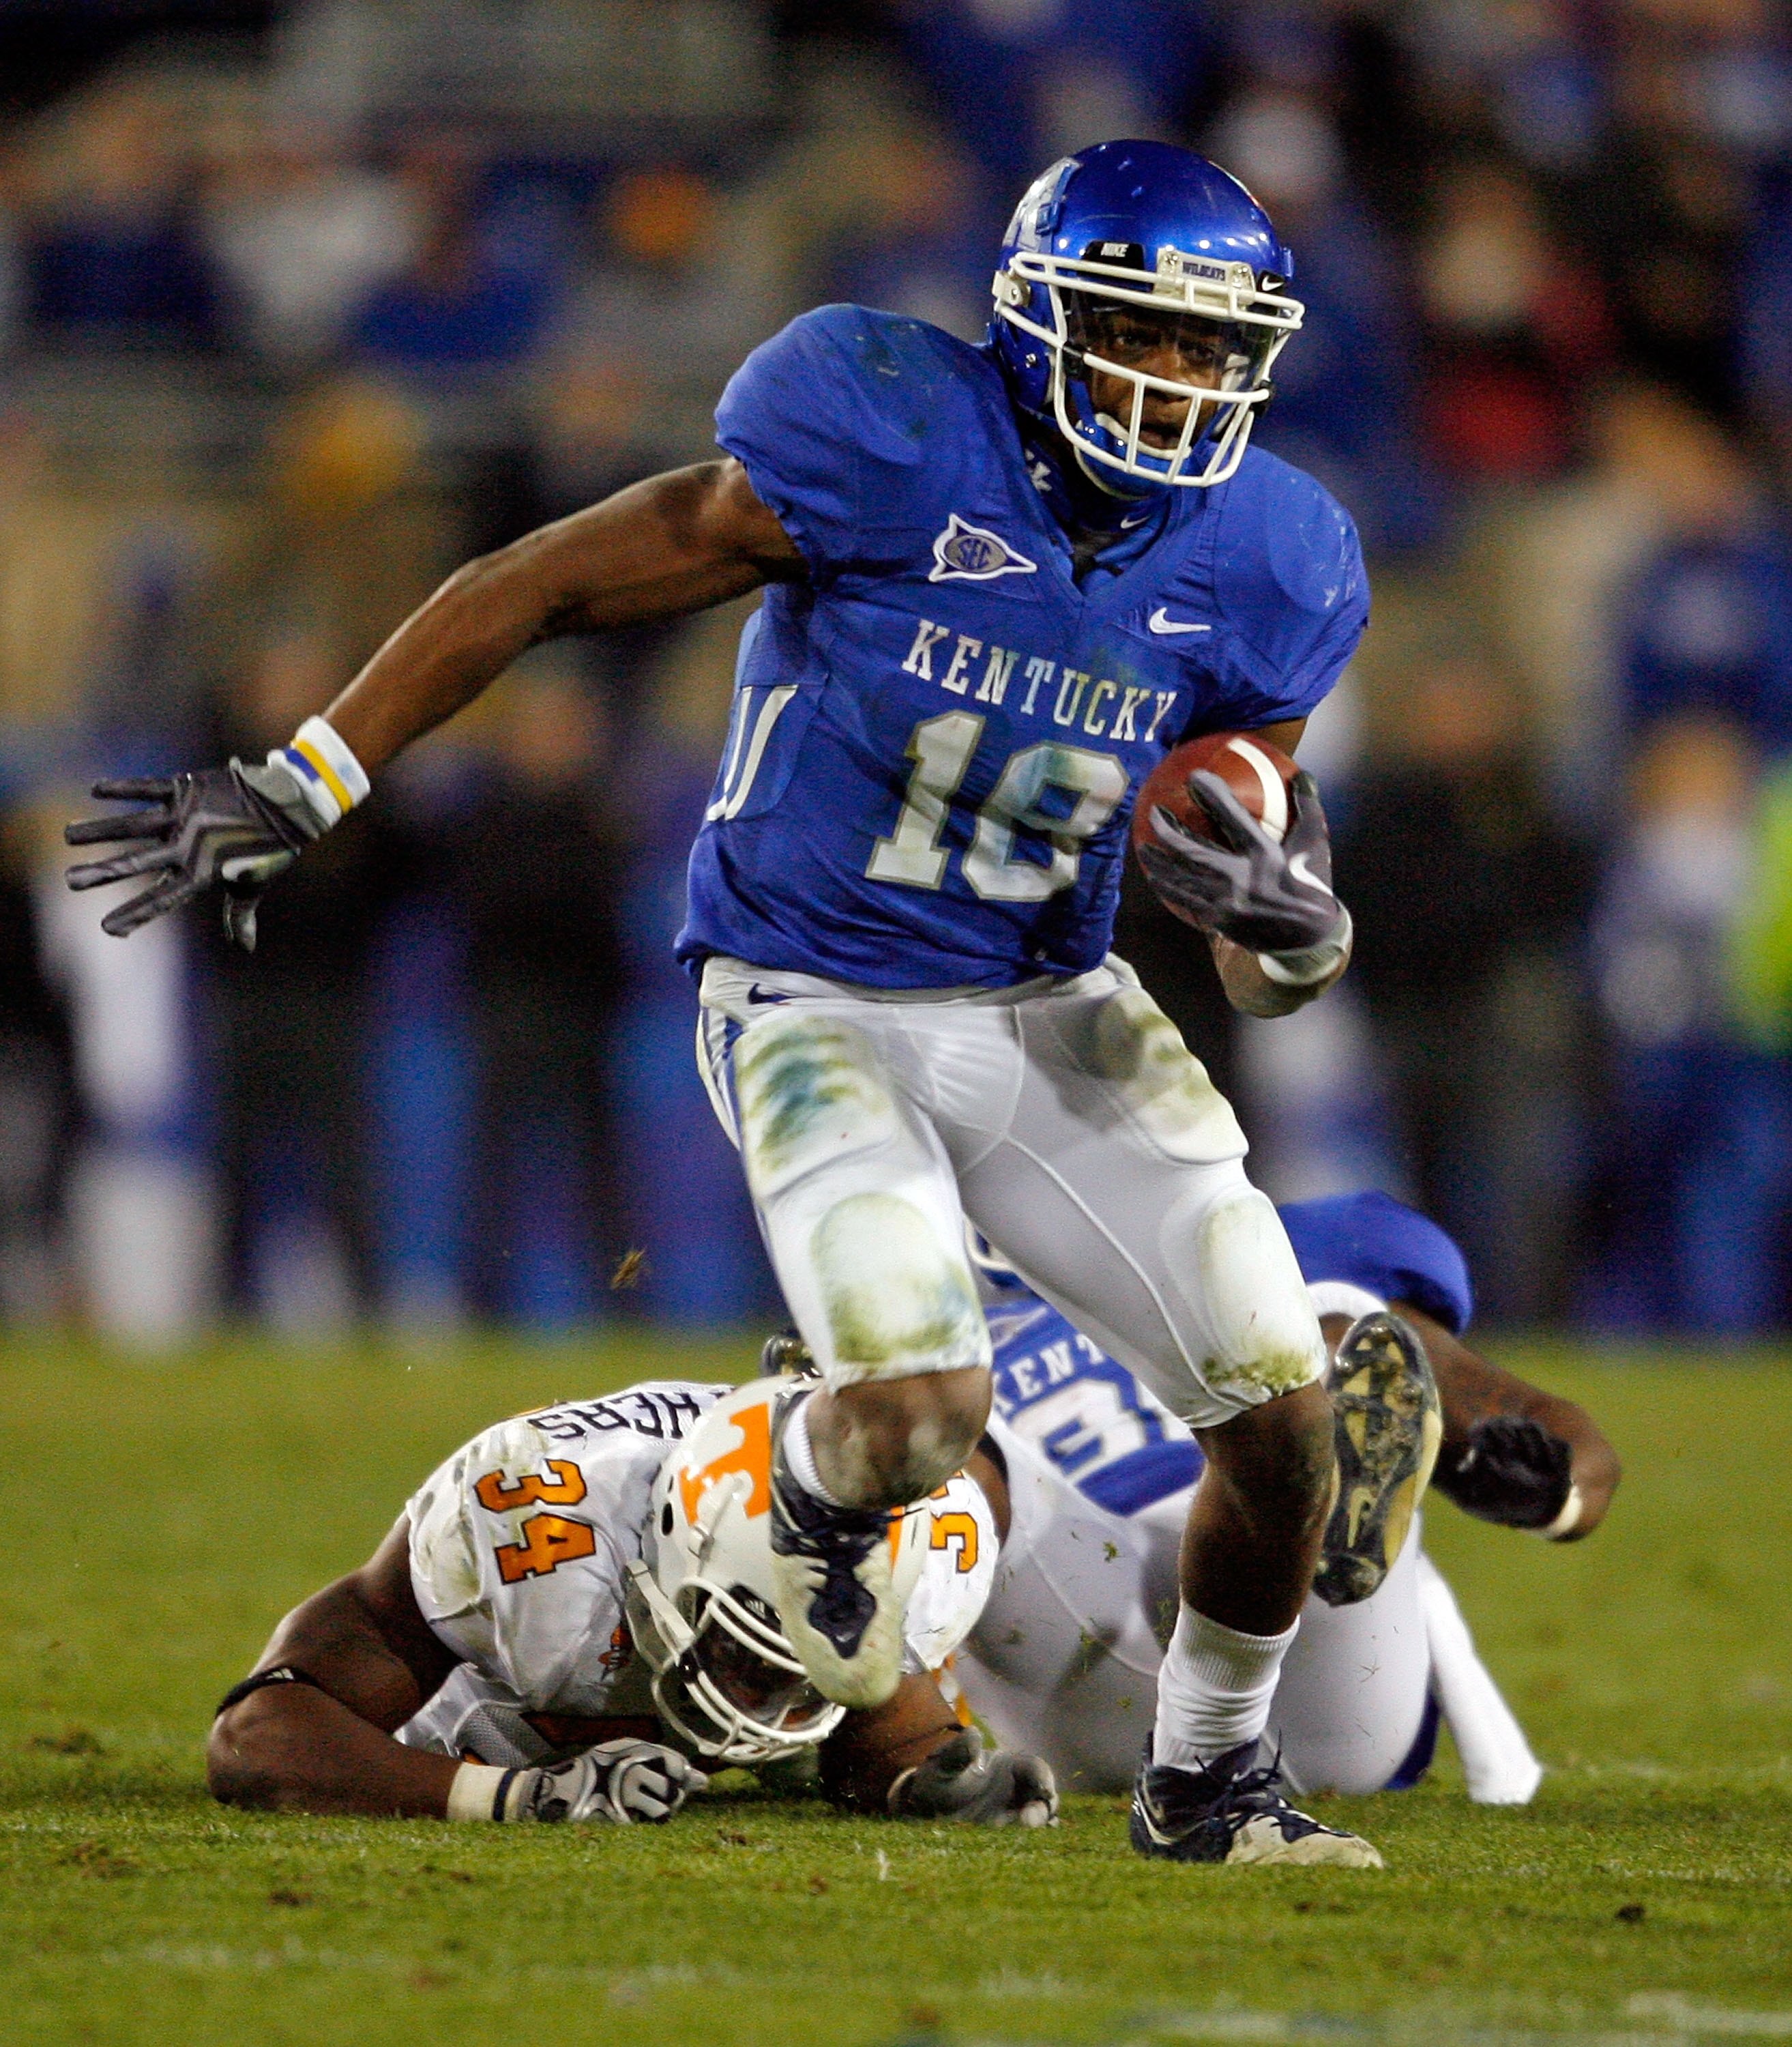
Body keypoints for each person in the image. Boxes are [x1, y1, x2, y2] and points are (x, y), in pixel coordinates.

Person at [70, 142, 1375, 1863]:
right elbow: (539, 580)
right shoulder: (892, 426)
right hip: (813, 990)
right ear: (1038, 316)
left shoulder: (1273, 552)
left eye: (1214, 348)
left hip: (1049, 1002)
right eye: (1143, 331)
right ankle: (755, 1521)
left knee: (1284, 1424)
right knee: (915, 1417)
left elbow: (1256, 914)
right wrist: (309, 776)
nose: (1179, 380)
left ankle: (1206, 1777)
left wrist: (1294, 933)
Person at [948, 1189, 1618, 1823]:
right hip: (1085, 1647)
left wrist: (1548, 1489)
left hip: (1298, 1616)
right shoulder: (925, 1314)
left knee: (1341, 1328)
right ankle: (910, 1742)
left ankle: (1331, 1493)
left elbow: (1544, 1427)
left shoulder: (1266, 1248)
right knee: (938, 1441)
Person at [207, 1374, 1055, 1830]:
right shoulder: (541, 1524)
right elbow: (258, 1736)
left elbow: (878, 1733)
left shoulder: (932, 1539)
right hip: (502, 1735)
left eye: (802, 1673)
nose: (770, 1701)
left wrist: (931, 1780)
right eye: (745, 1658)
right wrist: (512, 1797)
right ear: (674, 1547)